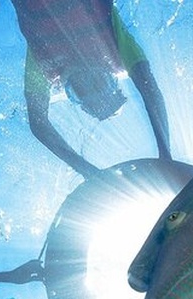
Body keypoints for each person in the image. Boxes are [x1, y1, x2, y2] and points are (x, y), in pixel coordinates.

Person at [11, 0, 172, 179]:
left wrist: (88, 172)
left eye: (80, 91)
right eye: (97, 82)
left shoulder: (42, 60)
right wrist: (166, 153)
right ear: (108, 73)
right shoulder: (115, 43)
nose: (85, 80)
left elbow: (38, 124)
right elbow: (147, 85)